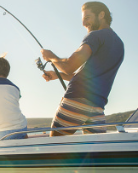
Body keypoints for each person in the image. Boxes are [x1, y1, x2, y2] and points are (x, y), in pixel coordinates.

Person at [40, 1, 124, 136]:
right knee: (92, 153)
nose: (83, 23)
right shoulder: (119, 45)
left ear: (101, 15)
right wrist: (57, 75)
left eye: (87, 18)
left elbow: (69, 66)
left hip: (77, 99)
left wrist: (51, 57)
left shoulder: (95, 36)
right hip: (97, 107)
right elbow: (91, 77)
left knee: (55, 147)